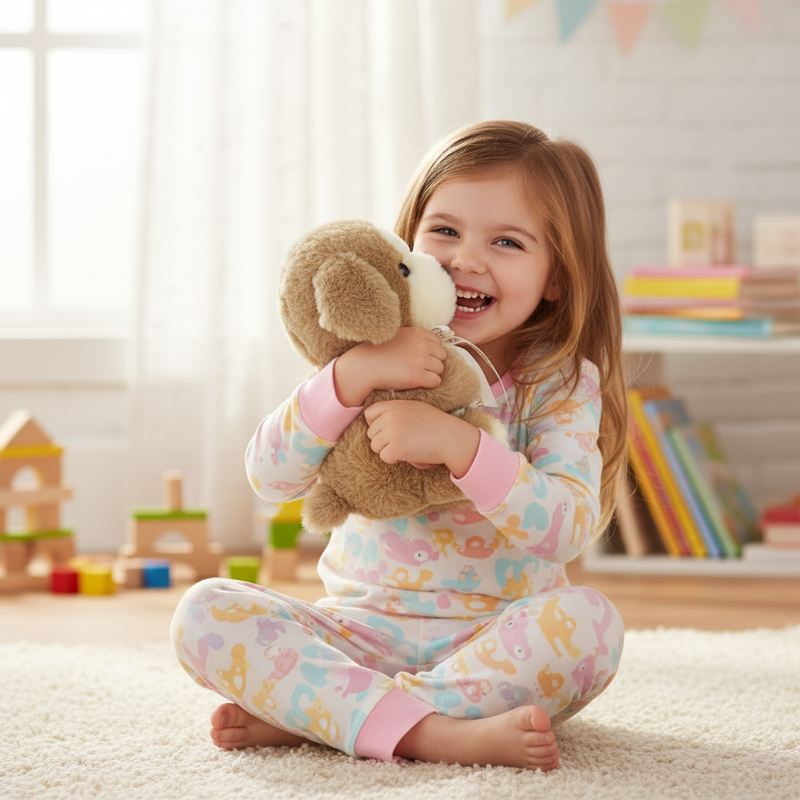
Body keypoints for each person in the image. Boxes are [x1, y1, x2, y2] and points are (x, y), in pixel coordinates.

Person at [170, 120, 628, 771]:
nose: (466, 258)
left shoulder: (559, 383)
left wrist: (462, 446)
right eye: (445, 230)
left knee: (593, 626)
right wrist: (347, 380)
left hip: (493, 648)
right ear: (406, 239)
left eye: (507, 241)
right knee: (202, 614)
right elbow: (269, 479)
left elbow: (566, 529)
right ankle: (431, 733)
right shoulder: (364, 352)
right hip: (356, 636)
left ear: (557, 276)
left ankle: (333, 719)